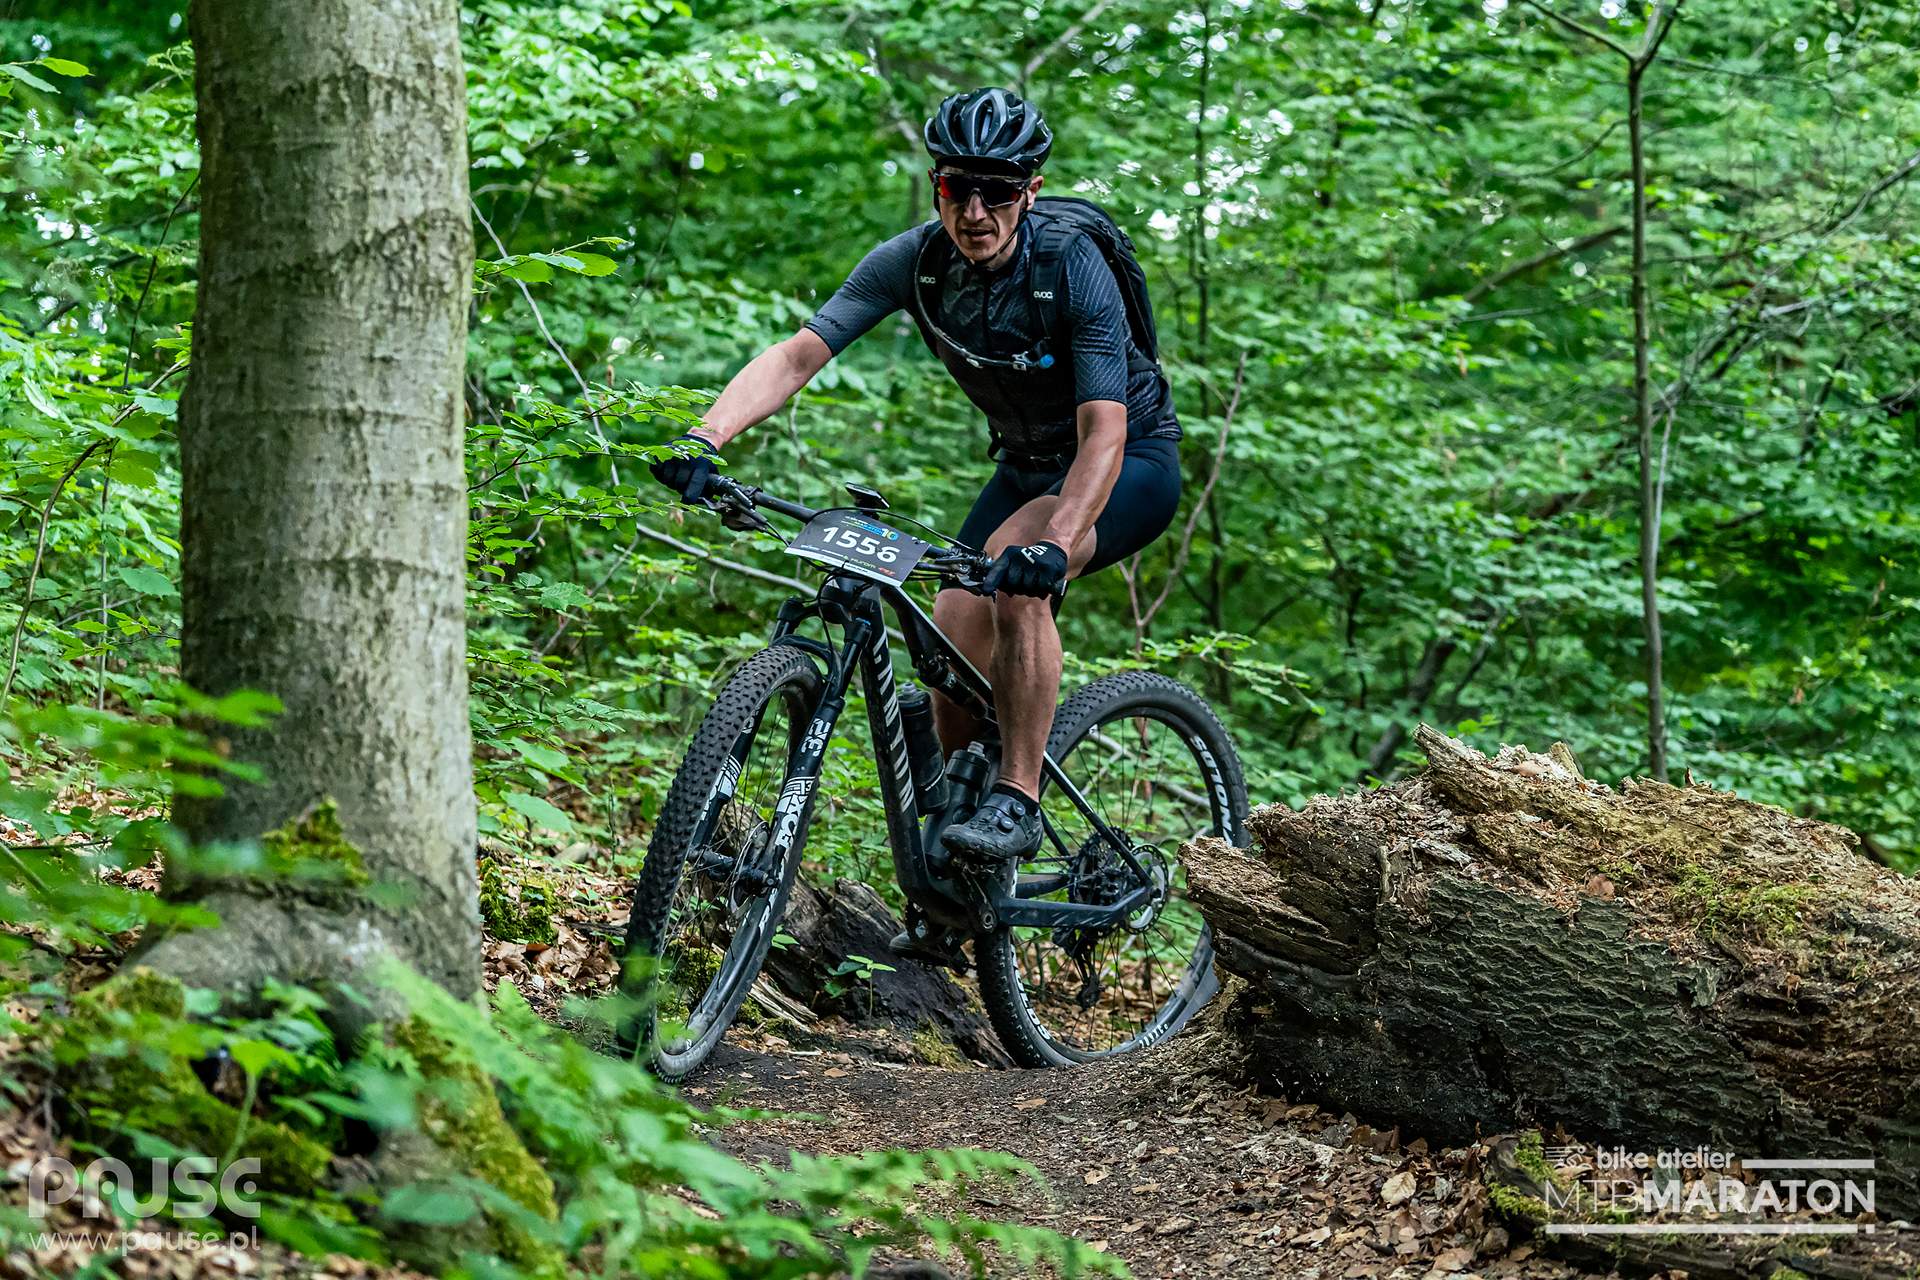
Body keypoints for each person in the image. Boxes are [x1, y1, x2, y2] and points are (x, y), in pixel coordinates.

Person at [651, 86, 1181, 865]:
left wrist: (1058, 542)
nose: (975, 211)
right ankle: (959, 849)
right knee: (950, 623)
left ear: (1031, 191)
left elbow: (1105, 428)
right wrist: (704, 437)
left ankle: (1018, 799)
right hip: (1024, 466)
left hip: (1128, 462)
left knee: (1016, 576)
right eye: (957, 188)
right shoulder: (916, 262)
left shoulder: (1072, 264)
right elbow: (798, 355)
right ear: (937, 185)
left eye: (998, 191)